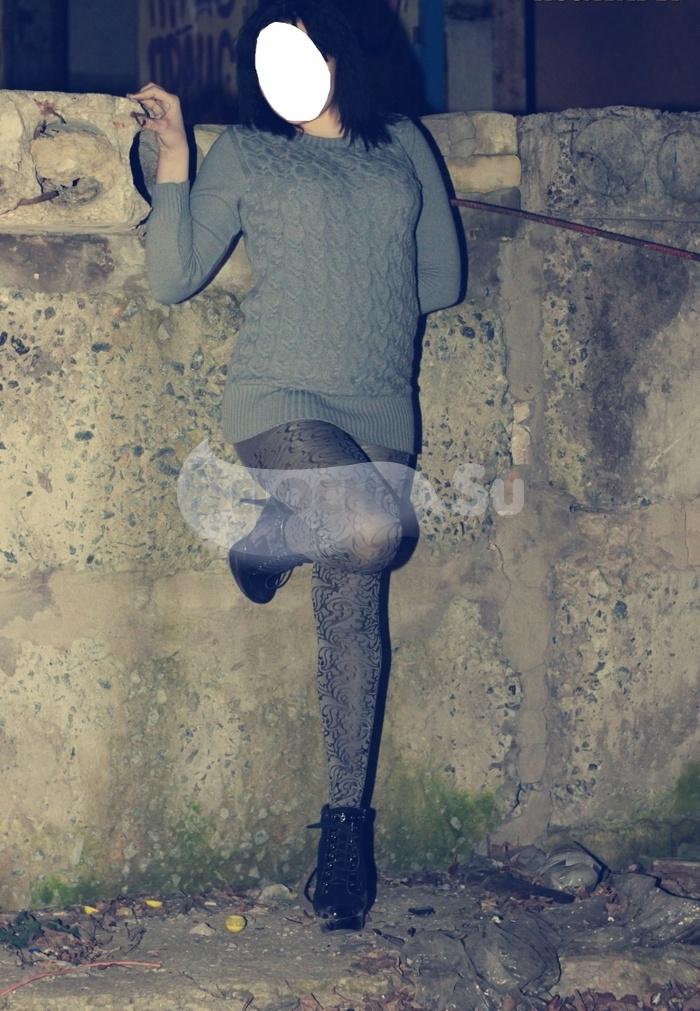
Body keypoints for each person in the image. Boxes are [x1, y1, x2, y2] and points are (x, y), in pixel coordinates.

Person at [129, 0, 463, 933]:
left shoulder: (404, 143)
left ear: (339, 45)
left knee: (354, 623)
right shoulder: (247, 151)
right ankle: (273, 533)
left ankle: (344, 843)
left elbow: (442, 283)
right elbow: (172, 276)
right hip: (281, 403)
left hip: (382, 411)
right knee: (373, 530)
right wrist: (176, 156)